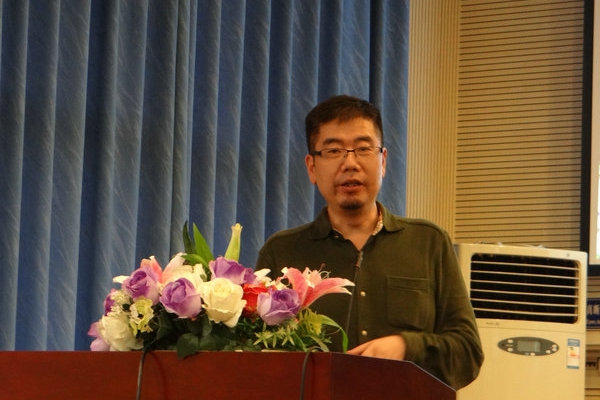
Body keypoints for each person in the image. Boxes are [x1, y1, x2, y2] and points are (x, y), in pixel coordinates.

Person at [255, 94, 483, 390]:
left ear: (383, 161)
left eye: (363, 149)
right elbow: (256, 357)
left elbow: (468, 352)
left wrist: (406, 346)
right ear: (312, 167)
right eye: (334, 150)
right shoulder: (282, 251)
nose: (350, 163)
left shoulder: (428, 242)